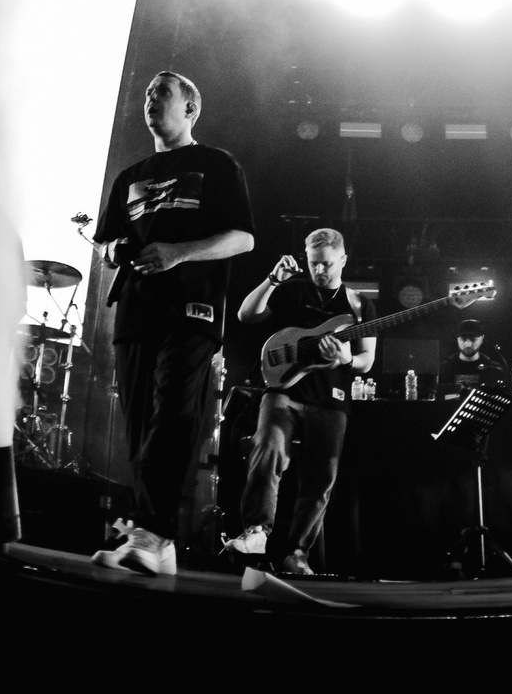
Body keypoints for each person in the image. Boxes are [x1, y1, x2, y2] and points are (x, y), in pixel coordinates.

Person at [89, 71, 255, 576]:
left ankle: (151, 531)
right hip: (136, 313)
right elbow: (106, 246)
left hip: (193, 309)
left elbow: (243, 239)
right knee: (141, 425)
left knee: (173, 411)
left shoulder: (217, 165)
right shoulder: (129, 176)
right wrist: (115, 249)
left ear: (191, 109)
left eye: (163, 93)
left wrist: (179, 254)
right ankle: (157, 544)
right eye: (146, 95)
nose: (151, 100)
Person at [226, 228, 372, 575]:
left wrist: (345, 360)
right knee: (268, 448)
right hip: (284, 391)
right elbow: (246, 316)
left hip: (331, 400)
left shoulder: (358, 304)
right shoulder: (291, 289)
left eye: (326, 264)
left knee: (320, 480)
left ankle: (297, 554)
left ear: (343, 260)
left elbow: (367, 359)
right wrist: (272, 281)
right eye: (313, 264)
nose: (319, 271)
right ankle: (257, 531)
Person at [443, 321, 511, 400]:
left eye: (473, 339)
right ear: (457, 339)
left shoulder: (494, 369)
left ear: (482, 339)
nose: (468, 344)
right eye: (463, 339)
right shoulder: (445, 368)